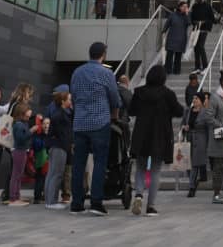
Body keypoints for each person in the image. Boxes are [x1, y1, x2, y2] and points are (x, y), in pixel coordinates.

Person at [69, 41, 122, 216]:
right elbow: (114, 98)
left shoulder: (77, 72)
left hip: (80, 123)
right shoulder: (106, 73)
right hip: (99, 122)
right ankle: (96, 202)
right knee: (100, 162)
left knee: (78, 163)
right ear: (103, 55)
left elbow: (74, 95)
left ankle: (76, 203)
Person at [129, 64, 185, 216]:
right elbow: (179, 111)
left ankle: (139, 194)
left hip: (141, 135)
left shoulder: (139, 92)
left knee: (140, 168)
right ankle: (151, 206)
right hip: (160, 137)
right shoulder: (168, 94)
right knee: (155, 171)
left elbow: (131, 110)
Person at [199, 71, 223, 204]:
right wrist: (222, 127)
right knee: (219, 166)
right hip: (220, 138)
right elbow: (208, 117)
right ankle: (216, 193)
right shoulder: (215, 97)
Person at [45, 91, 73, 209]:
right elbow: (62, 134)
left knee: (52, 174)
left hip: (55, 146)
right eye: (69, 99)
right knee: (56, 174)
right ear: (63, 101)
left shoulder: (60, 114)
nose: (71, 101)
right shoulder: (60, 115)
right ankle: (52, 201)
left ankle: (49, 200)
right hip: (59, 147)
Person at [186, 92, 211, 198]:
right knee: (188, 164)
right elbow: (184, 123)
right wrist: (184, 127)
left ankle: (191, 187)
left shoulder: (205, 112)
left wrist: (209, 143)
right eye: (193, 98)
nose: (194, 100)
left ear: (201, 101)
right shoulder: (188, 111)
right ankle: (194, 181)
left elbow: (208, 128)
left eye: (196, 98)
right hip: (189, 139)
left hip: (200, 139)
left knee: (195, 164)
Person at [8, 103, 33, 207]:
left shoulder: (23, 123)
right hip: (19, 151)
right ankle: (13, 198)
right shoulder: (18, 124)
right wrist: (31, 131)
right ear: (22, 112)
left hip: (21, 150)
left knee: (18, 175)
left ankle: (16, 196)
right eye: (28, 110)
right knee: (16, 175)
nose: (30, 112)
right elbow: (20, 138)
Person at [163, 0, 190, 75]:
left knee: (178, 56)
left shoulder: (186, 16)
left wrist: (187, 14)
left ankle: (177, 70)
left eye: (186, 7)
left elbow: (188, 23)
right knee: (169, 55)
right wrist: (164, 31)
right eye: (184, 6)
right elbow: (167, 23)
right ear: (179, 7)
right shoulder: (173, 15)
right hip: (172, 37)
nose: (185, 8)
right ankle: (168, 70)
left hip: (181, 38)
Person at [190, 0, 215, 71]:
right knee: (196, 47)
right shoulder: (194, 6)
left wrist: (205, 22)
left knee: (200, 46)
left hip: (204, 29)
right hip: (196, 29)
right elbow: (192, 18)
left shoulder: (207, 6)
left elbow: (212, 19)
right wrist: (195, 22)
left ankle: (205, 66)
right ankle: (197, 66)